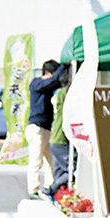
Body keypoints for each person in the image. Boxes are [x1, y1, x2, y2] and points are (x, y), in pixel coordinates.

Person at [26, 59, 66, 198]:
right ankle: (33, 189)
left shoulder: (47, 87)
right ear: (47, 72)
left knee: (51, 162)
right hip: (37, 128)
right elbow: (53, 80)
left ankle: (50, 187)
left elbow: (55, 82)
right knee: (36, 160)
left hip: (46, 129)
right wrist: (63, 66)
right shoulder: (36, 83)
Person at [47, 66, 74, 197]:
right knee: (73, 170)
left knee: (59, 171)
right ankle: (51, 189)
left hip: (54, 137)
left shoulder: (58, 94)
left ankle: (58, 196)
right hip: (62, 139)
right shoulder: (67, 95)